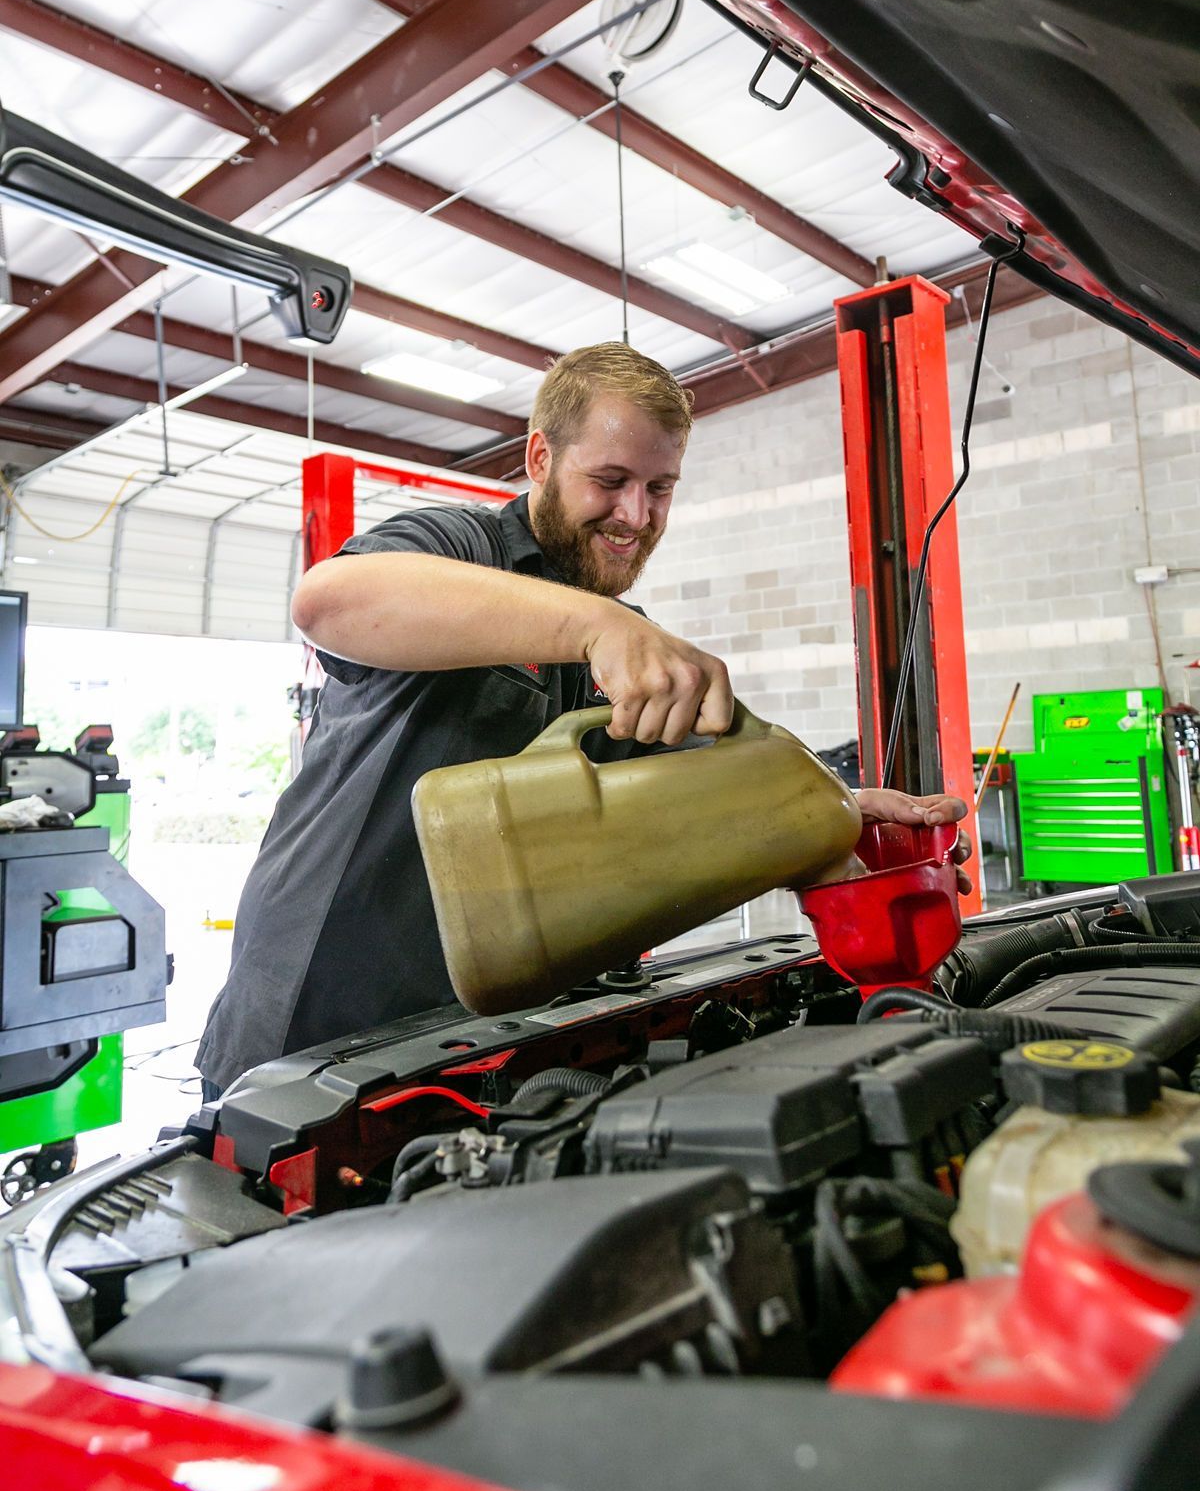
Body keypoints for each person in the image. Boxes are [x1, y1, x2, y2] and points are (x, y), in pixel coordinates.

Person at [197, 343, 969, 1096]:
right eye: (611, 480)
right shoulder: (461, 550)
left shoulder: (622, 639)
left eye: (660, 487)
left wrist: (835, 817)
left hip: (489, 1048)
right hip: (315, 1049)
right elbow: (327, 602)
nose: (636, 515)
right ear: (539, 459)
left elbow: (703, 802)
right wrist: (595, 628)